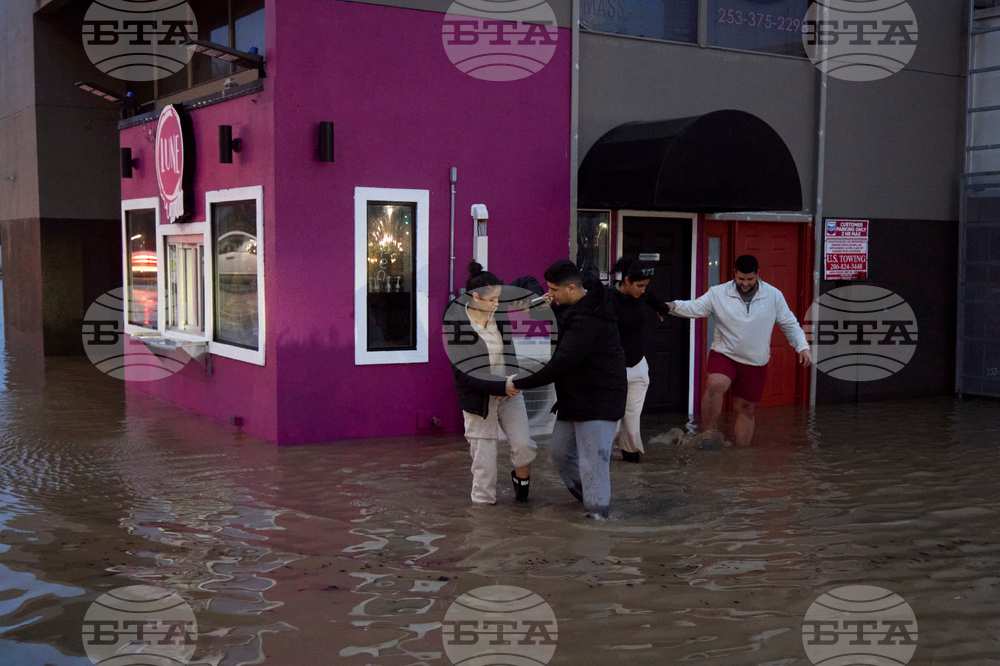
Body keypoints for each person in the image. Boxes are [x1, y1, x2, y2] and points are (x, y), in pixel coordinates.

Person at [508, 259, 627, 519]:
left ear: (571, 289)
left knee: (593, 464)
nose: (549, 294)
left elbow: (562, 363)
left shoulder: (590, 319)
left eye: (553, 290)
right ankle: (590, 501)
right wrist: (531, 304)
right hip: (575, 397)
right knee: (560, 454)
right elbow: (526, 280)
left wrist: (517, 383)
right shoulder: (570, 307)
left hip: (599, 401)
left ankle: (597, 519)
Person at [666, 254, 812, 447]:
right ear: (734, 273)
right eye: (740, 279)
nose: (744, 283)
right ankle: (707, 435)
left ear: (758, 274)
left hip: (755, 360)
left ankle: (742, 456)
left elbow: (790, 324)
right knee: (717, 383)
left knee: (747, 408)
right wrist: (671, 306)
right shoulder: (718, 293)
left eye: (749, 279)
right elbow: (695, 307)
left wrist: (802, 346)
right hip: (724, 352)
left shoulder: (774, 295)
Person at [445, 263, 537, 504]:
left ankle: (522, 501)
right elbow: (465, 375)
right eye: (492, 300)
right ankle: (484, 527)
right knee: (485, 468)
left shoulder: (499, 310)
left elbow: (527, 279)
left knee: (525, 447)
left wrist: (535, 298)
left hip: (510, 391)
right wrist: (499, 387)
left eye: (500, 298)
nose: (498, 304)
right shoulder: (455, 327)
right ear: (474, 297)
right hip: (479, 400)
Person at [608, 256, 670, 463]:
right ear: (626, 281)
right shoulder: (608, 297)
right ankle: (597, 473)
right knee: (612, 425)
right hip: (612, 369)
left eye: (645, 286)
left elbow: (651, 297)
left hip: (638, 366)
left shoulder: (641, 295)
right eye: (639, 285)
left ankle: (632, 470)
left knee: (632, 423)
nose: (642, 290)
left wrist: (661, 307)